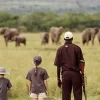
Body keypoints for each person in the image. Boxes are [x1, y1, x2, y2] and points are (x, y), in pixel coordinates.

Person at [54, 31, 85, 100]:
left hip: (65, 75)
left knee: (65, 96)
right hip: (76, 74)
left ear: (64, 39)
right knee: (78, 95)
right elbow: (82, 63)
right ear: (72, 38)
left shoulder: (60, 49)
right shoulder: (77, 48)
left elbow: (58, 66)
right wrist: (82, 75)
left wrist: (58, 79)